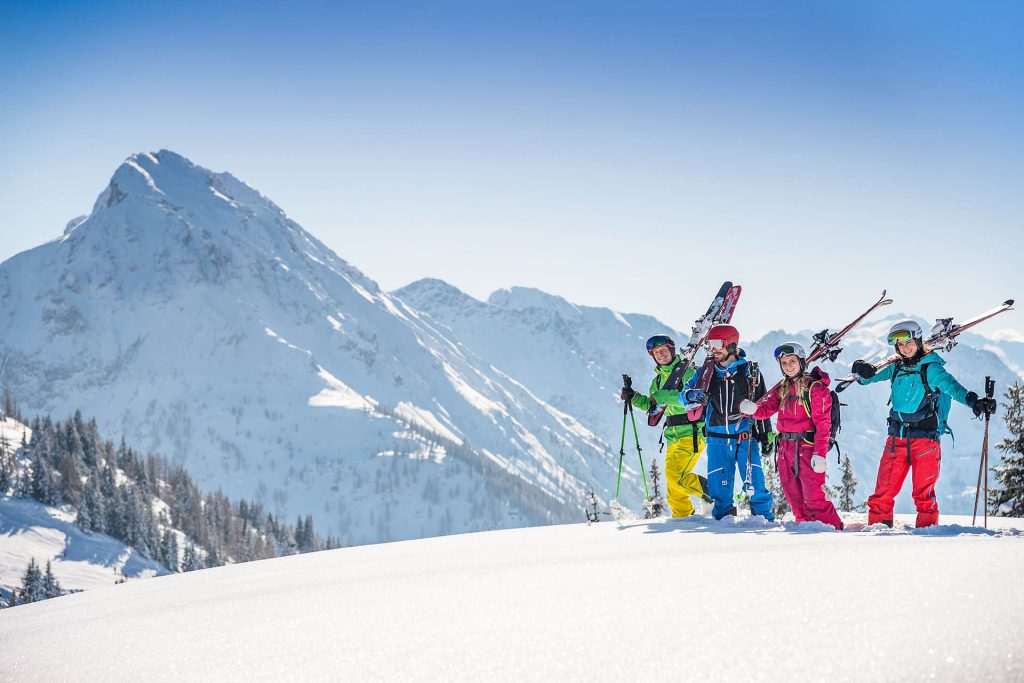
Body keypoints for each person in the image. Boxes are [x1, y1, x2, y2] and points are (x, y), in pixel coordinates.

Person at [851, 320, 997, 528]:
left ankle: (927, 543)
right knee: (882, 495)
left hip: (925, 442)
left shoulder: (931, 368)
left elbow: (953, 388)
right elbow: (869, 378)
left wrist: (974, 402)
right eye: (899, 345)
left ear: (918, 340)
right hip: (896, 439)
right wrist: (862, 372)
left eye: (908, 342)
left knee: (924, 497)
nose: (904, 348)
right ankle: (877, 536)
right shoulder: (895, 367)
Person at [739, 342, 843, 530]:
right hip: (785, 449)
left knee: (814, 499)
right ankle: (805, 532)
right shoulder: (782, 387)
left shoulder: (816, 389)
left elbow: (823, 425)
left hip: (807, 448)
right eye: (784, 363)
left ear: (801, 361)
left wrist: (820, 454)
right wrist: (754, 410)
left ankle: (833, 530)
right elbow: (766, 410)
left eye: (792, 361)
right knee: (795, 500)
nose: (788, 366)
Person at [682, 324, 775, 521]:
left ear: (731, 344)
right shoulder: (705, 373)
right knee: (719, 488)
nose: (713, 349)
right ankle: (723, 522)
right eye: (709, 345)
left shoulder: (750, 372)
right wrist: (692, 395)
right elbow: (684, 395)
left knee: (755, 484)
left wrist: (767, 435)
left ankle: (764, 519)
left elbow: (764, 406)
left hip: (745, 437)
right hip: (716, 438)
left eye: (717, 344)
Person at [620, 334, 711, 517]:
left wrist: (661, 396)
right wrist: (634, 397)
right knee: (673, 486)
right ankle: (683, 518)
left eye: (663, 351)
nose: (660, 355)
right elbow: (653, 406)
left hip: (692, 433)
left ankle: (712, 493)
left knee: (674, 476)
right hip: (672, 436)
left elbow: (690, 401)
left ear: (671, 350)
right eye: (656, 353)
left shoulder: (689, 373)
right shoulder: (658, 381)